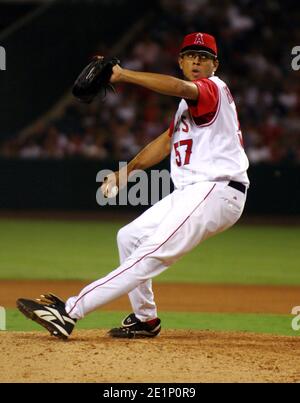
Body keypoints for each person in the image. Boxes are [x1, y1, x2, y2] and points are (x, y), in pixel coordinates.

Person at [17, 32, 249, 340]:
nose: (196, 61)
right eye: (190, 55)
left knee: (149, 255)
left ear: (214, 65)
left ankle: (69, 312)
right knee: (129, 238)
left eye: (204, 57)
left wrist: (124, 74)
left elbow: (180, 87)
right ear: (180, 61)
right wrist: (127, 171)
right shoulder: (187, 106)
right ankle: (145, 319)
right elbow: (167, 142)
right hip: (193, 192)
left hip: (216, 189)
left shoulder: (212, 89)